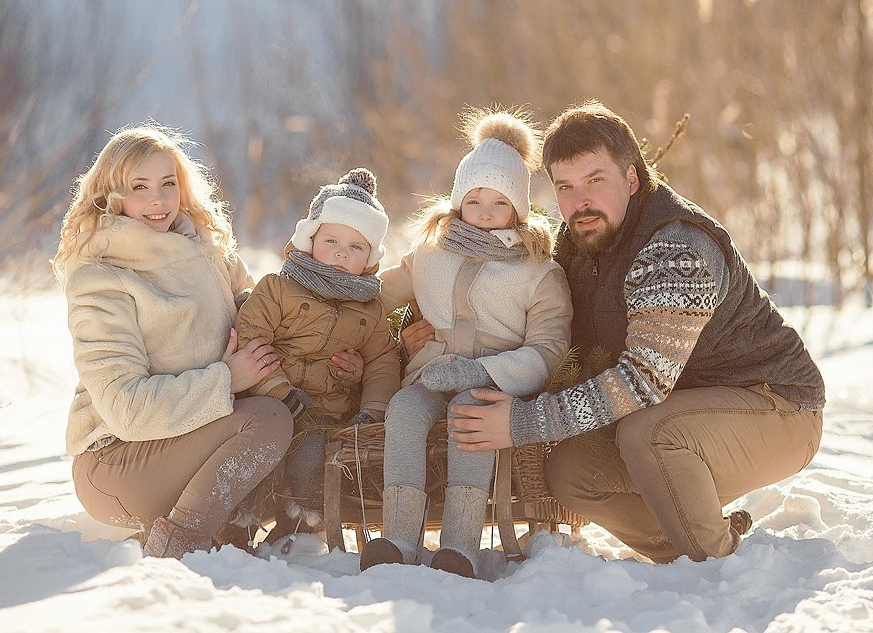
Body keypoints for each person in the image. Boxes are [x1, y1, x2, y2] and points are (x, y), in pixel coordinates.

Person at [443, 101, 825, 564]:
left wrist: (519, 423)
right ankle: (685, 542)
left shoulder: (676, 249)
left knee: (648, 432)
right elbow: (530, 319)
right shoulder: (578, 242)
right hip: (686, 411)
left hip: (777, 405)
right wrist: (429, 332)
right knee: (571, 472)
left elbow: (641, 383)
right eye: (565, 187)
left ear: (632, 179)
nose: (579, 200)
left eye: (595, 180)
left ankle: (720, 565)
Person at [54, 122, 363, 558]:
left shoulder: (206, 247)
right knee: (269, 420)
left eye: (168, 183)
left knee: (300, 428)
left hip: (203, 442)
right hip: (118, 464)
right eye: (139, 187)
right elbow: (126, 410)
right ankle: (179, 539)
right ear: (111, 195)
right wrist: (225, 380)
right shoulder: (100, 277)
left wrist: (361, 343)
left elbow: (269, 320)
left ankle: (248, 530)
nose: (159, 200)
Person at [359, 110, 573, 578]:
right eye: (473, 200)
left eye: (499, 202)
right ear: (457, 201)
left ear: (519, 207)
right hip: (427, 374)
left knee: (469, 414)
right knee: (405, 411)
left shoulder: (539, 272)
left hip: (491, 382)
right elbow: (377, 294)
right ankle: (398, 537)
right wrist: (321, 280)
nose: (484, 212)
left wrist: (482, 373)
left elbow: (549, 347)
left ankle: (460, 544)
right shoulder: (431, 254)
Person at [233, 167, 401, 545]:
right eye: (331, 240)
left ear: (370, 258)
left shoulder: (369, 310)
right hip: (270, 401)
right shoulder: (278, 287)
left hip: (324, 411)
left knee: (311, 456)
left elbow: (383, 362)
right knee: (259, 453)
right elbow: (251, 333)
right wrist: (276, 389)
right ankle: (239, 519)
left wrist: (372, 407)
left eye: (356, 247)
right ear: (310, 240)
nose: (341, 253)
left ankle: (301, 521)